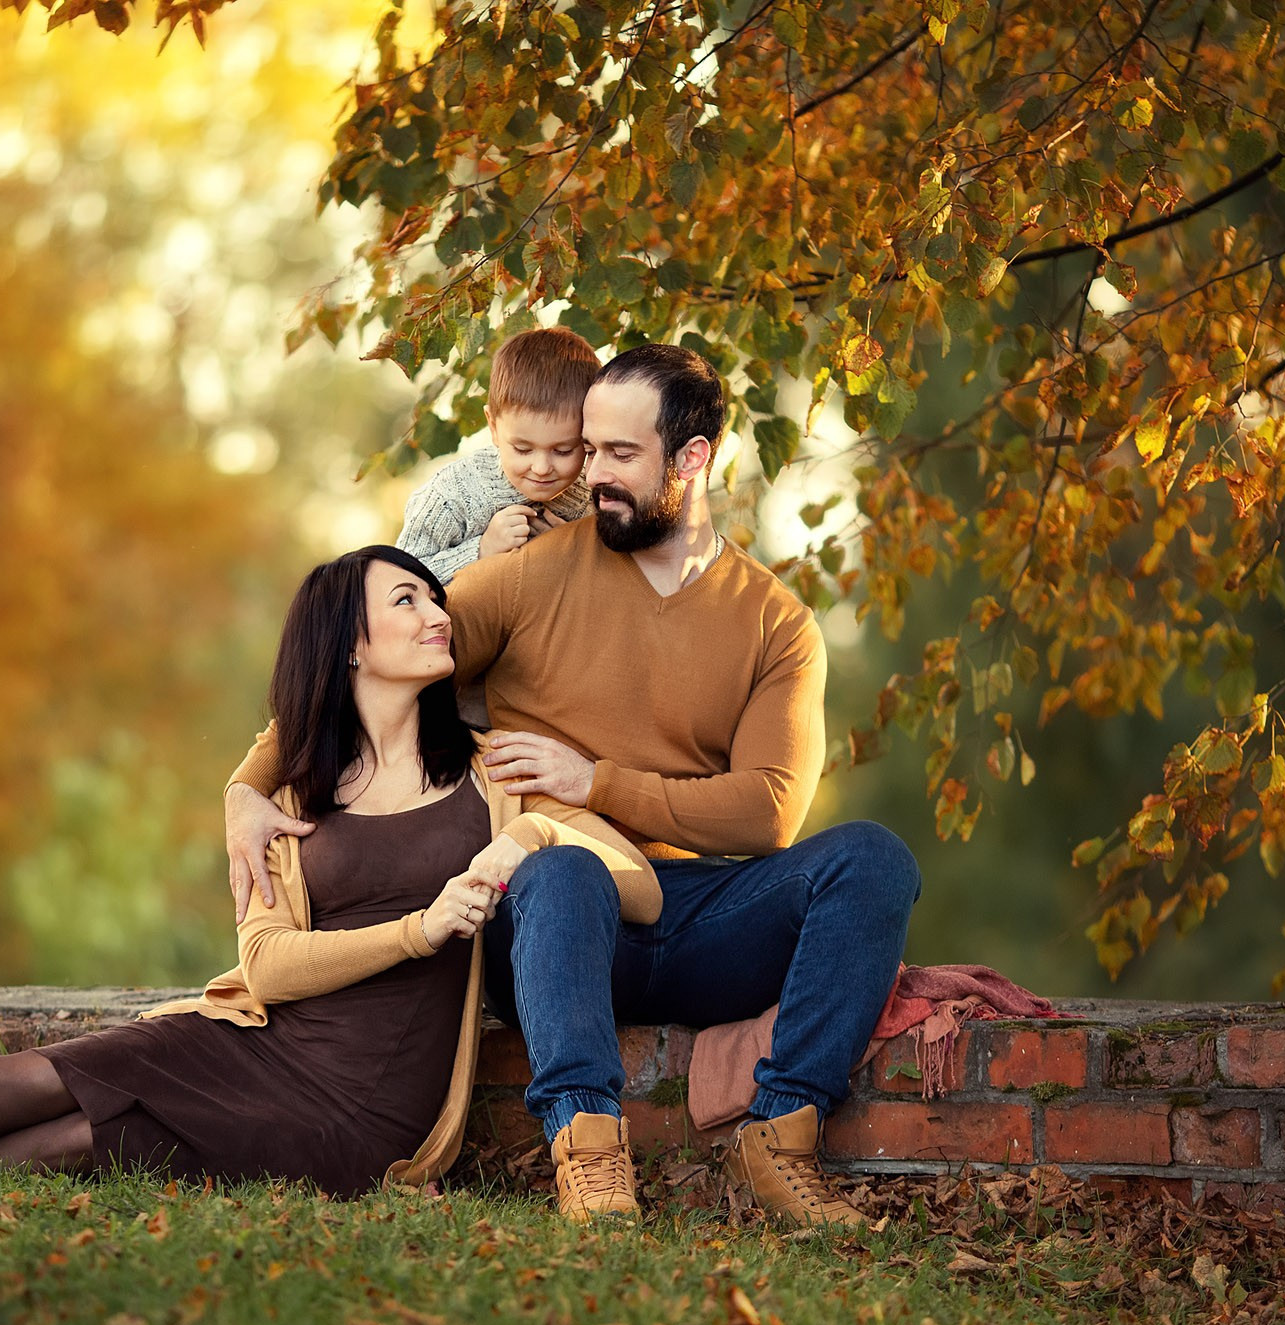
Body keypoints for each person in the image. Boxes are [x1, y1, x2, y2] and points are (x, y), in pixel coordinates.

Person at [0, 547, 659, 1195]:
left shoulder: (492, 777)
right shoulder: (289, 799)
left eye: (434, 597)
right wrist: (416, 927)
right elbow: (268, 970)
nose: (438, 613)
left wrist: (525, 841)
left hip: (361, 1102)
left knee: (80, 1135)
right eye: (408, 600)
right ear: (348, 644)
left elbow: (639, 885)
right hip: (264, 1038)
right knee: (50, 1071)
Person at [226, 346, 924, 1226]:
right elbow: (366, 665)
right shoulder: (533, 572)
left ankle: (783, 1135)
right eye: (588, 451)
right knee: (557, 870)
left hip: (696, 912)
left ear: (694, 456)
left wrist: (597, 779)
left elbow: (768, 811)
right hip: (555, 922)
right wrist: (246, 788)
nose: (590, 475)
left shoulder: (774, 621)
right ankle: (589, 1155)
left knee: (870, 859)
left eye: (619, 456)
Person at [394, 326, 597, 586]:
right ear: (493, 427)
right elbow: (401, 581)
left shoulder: (597, 491)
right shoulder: (451, 494)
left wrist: (577, 550)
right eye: (523, 449)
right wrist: (481, 550)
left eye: (563, 451)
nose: (542, 467)